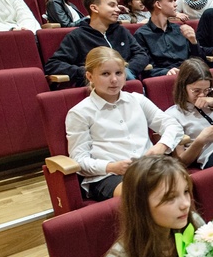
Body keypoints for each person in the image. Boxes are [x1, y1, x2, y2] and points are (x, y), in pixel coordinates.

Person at [66, 48, 179, 200]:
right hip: (107, 176)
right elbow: (79, 160)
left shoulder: (137, 100)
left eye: (119, 73)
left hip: (147, 167)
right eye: (105, 74)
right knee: (143, 195)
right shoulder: (80, 112)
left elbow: (172, 124)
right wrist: (112, 166)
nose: (114, 80)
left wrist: (161, 146)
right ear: (90, 76)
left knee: (179, 185)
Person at [45, 0, 149, 86]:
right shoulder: (77, 36)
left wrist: (125, 71)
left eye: (117, 6)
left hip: (127, 83)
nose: (118, 9)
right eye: (112, 5)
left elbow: (141, 54)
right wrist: (87, 72)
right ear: (94, 8)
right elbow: (53, 64)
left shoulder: (121, 31)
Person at [134, 0, 200, 77]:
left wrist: (193, 42)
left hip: (189, 76)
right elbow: (146, 69)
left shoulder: (181, 30)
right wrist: (166, 72)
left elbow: (200, 61)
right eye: (171, 1)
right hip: (164, 80)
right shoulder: (141, 35)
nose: (175, 4)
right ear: (158, 4)